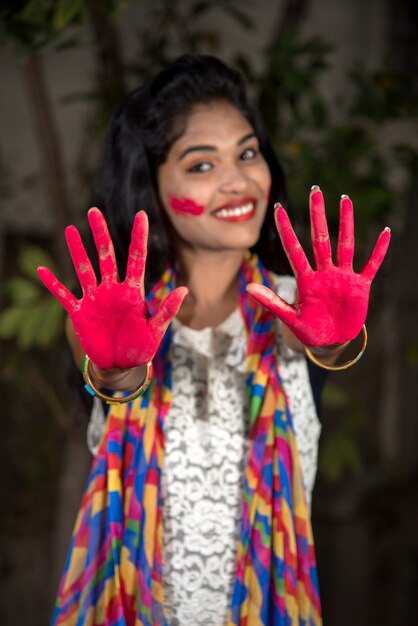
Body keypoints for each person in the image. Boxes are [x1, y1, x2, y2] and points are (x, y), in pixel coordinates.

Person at [38, 53, 390, 626]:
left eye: (247, 153)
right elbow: (113, 381)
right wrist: (118, 368)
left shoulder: (292, 305)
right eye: (202, 165)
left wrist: (333, 343)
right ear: (151, 185)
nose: (238, 181)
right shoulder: (115, 318)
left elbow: (322, 348)